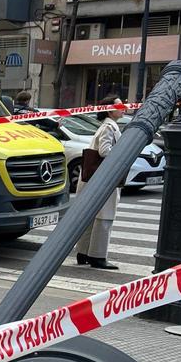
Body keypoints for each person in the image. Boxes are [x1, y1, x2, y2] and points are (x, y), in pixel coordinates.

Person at [75, 98, 123, 270]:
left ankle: (83, 253)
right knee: (104, 217)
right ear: (110, 111)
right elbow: (104, 151)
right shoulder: (110, 127)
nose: (123, 108)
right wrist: (123, 155)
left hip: (93, 178)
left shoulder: (105, 125)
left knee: (90, 217)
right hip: (104, 178)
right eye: (119, 105)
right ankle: (97, 255)